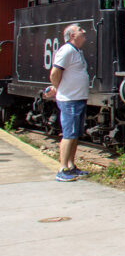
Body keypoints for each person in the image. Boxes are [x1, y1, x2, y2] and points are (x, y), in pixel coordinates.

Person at [47, 24, 90, 182]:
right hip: (69, 99)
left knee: (75, 134)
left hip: (78, 98)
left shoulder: (77, 51)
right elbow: (55, 72)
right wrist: (56, 88)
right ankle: (62, 169)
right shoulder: (66, 50)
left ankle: (71, 166)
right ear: (72, 35)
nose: (83, 31)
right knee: (68, 134)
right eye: (80, 29)